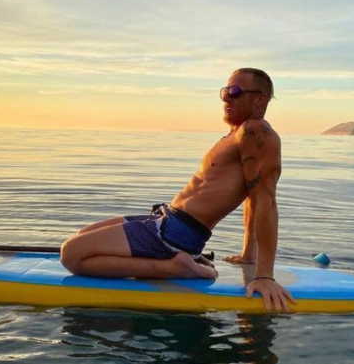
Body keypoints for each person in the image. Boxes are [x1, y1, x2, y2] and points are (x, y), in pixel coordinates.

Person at [60, 68, 296, 312]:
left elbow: (264, 200)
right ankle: (181, 260)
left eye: (235, 92)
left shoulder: (257, 133)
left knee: (72, 255)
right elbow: (251, 200)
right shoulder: (237, 133)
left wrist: (264, 276)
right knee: (80, 236)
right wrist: (248, 255)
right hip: (167, 221)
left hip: (176, 234)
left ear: (260, 99)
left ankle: (173, 267)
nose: (227, 98)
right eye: (225, 92)